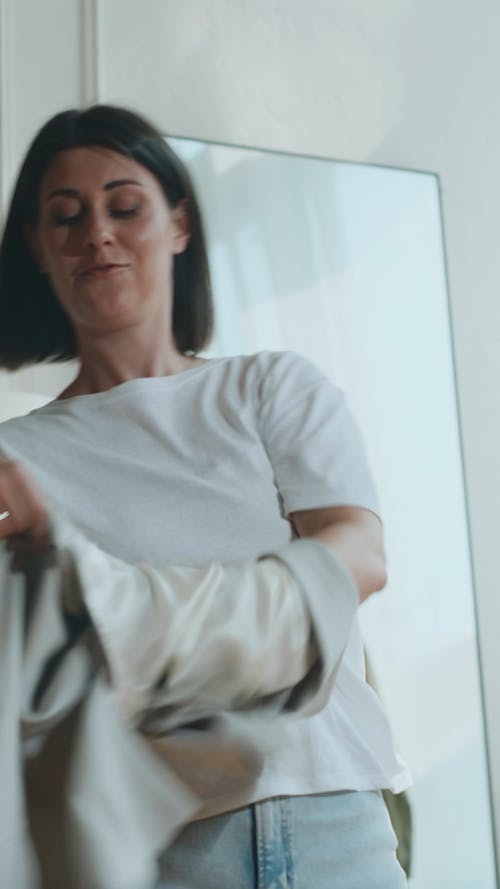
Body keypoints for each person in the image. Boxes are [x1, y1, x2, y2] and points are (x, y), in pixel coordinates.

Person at [0, 105, 409, 888]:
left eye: (125, 206)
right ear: (37, 249)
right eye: (66, 216)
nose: (97, 234)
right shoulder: (16, 459)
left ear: (179, 224)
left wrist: (142, 616)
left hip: (334, 821)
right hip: (164, 852)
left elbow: (357, 552)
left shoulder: (269, 387)